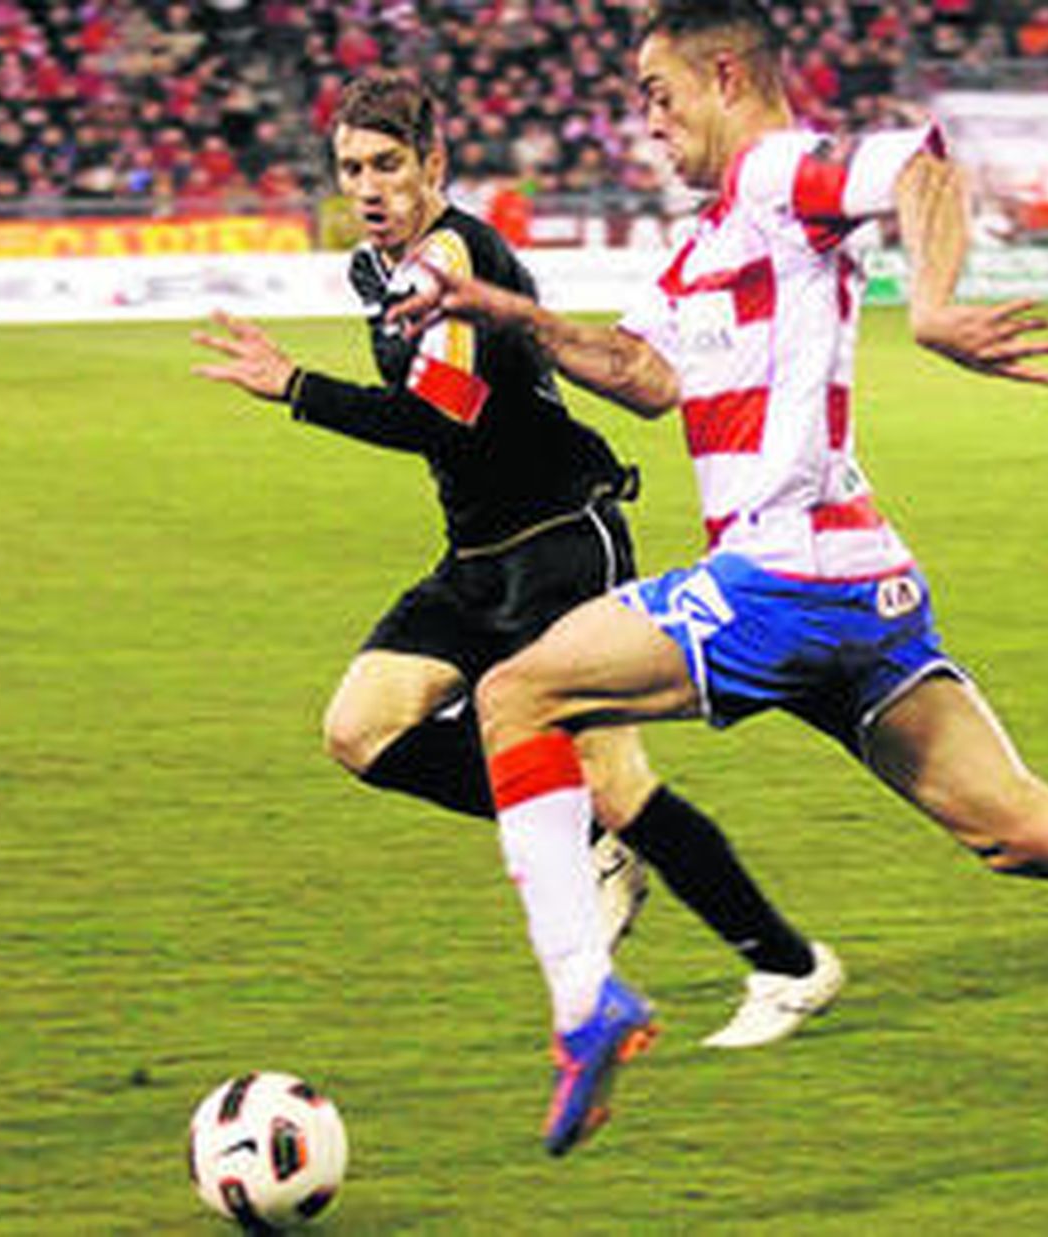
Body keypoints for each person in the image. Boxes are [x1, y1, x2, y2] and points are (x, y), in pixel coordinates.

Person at [392, 0, 1048, 1158]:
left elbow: (923, 164)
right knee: (1018, 826)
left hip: (783, 577)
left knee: (514, 696)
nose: (644, 118)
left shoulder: (785, 170)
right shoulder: (706, 240)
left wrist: (929, 307)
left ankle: (585, 1004)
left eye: (653, 91)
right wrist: (503, 312)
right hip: (850, 584)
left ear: (725, 73)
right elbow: (641, 376)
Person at [188, 71, 845, 1062]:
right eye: (350, 168)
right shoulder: (381, 269)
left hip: (561, 541)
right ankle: (588, 842)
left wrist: (293, 387)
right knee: (361, 729)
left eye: (387, 165)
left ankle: (789, 962)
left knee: (616, 776)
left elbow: (437, 414)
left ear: (434, 165)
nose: (367, 187)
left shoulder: (452, 255)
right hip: (476, 554)